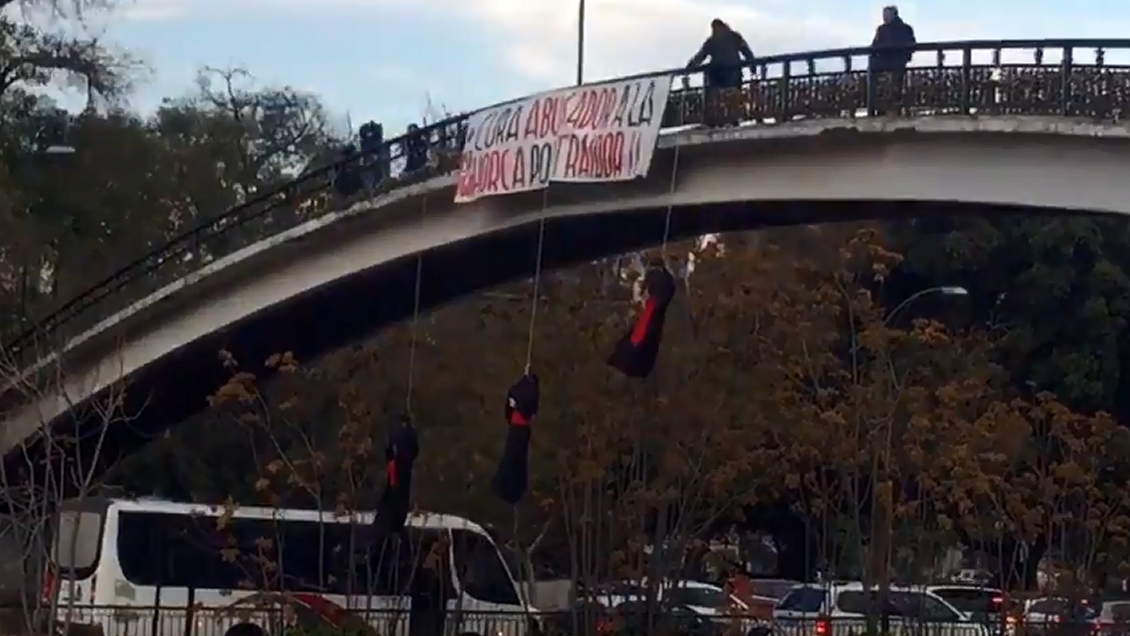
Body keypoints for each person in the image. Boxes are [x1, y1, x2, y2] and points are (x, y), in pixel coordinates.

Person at [682, 19, 755, 126]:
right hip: (731, 74)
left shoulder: (715, 40)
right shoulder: (733, 37)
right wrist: (752, 65)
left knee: (716, 95)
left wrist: (689, 67)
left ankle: (715, 118)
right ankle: (731, 118)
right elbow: (746, 52)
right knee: (731, 96)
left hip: (720, 75)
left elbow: (700, 56)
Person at [869, 5, 916, 114]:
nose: (884, 17)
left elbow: (874, 47)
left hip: (889, 64)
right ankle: (890, 106)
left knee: (889, 87)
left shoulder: (884, 30)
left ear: (893, 15)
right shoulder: (904, 28)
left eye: (886, 15)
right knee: (894, 87)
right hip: (894, 64)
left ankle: (882, 107)